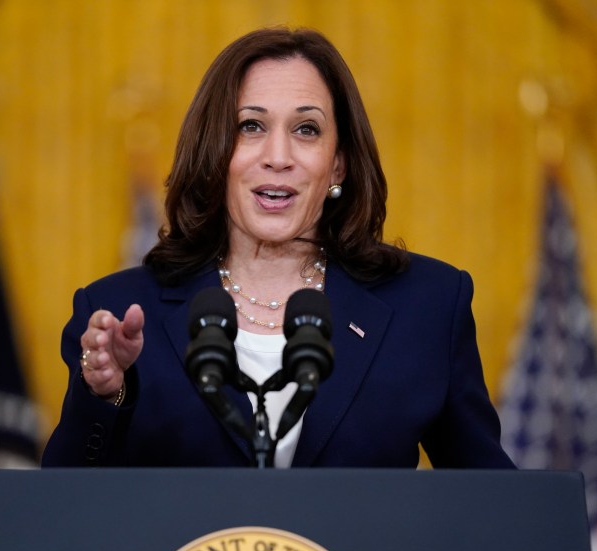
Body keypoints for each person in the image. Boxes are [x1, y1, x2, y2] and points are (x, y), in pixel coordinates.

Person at [42, 26, 515, 470]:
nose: (278, 156)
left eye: (306, 130)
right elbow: (65, 514)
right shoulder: (119, 312)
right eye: (251, 126)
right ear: (214, 153)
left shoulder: (427, 306)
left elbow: (488, 505)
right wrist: (105, 396)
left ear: (339, 165)